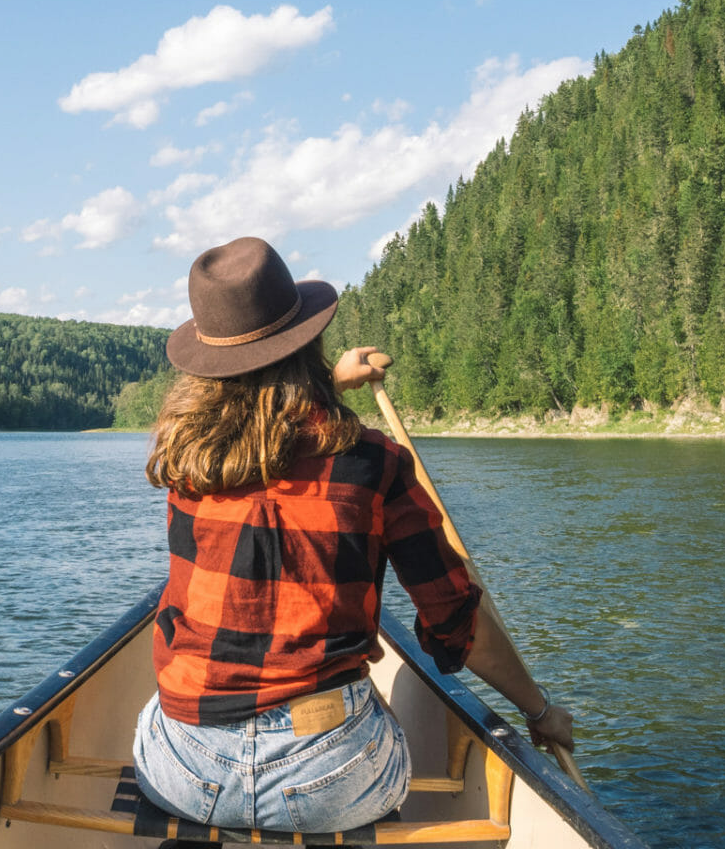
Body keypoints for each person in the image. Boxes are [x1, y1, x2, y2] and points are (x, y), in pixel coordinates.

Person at [131, 236, 575, 834]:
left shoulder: (191, 462)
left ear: (211, 364)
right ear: (309, 339)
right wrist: (540, 710)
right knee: (375, 716)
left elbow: (265, 444)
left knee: (152, 718)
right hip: (326, 779)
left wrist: (326, 389)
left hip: (188, 770)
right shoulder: (376, 466)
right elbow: (457, 627)